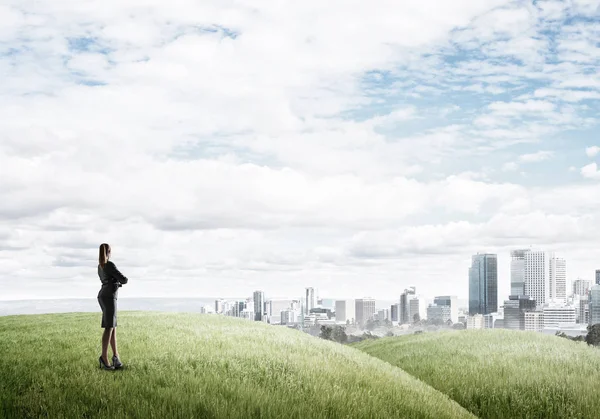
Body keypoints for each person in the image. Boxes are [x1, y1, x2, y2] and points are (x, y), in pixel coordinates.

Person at [97, 243, 129, 370]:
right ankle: (104, 358)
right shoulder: (109, 264)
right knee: (109, 327)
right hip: (109, 296)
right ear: (109, 252)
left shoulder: (100, 266)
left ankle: (116, 357)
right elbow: (124, 279)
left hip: (104, 295)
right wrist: (118, 281)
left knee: (112, 326)